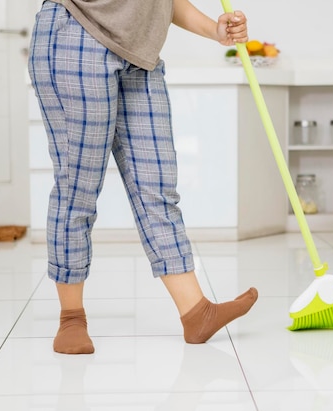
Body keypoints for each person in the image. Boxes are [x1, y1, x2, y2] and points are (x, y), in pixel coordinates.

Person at [28, 0, 258, 355]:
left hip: (140, 54)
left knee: (157, 186)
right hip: (77, 34)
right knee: (79, 187)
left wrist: (215, 29)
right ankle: (71, 317)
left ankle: (196, 313)